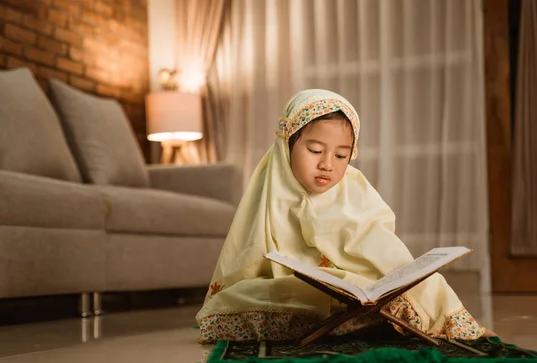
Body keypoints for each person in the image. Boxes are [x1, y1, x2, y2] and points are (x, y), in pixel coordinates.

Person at [196, 89, 495, 343]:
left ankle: (452, 328)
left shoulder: (355, 188)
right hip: (298, 285)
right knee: (245, 296)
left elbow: (381, 245)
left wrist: (400, 279)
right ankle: (358, 321)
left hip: (362, 284)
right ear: (287, 145)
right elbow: (247, 256)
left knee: (426, 283)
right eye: (315, 150)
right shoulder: (271, 186)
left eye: (341, 156)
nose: (328, 164)